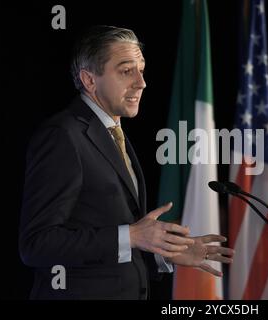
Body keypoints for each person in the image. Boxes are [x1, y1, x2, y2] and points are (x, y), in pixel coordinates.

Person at [19, 25, 234, 300]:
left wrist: (165, 254)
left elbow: (112, 248)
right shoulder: (63, 136)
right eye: (126, 71)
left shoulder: (111, 133)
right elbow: (37, 245)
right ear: (89, 80)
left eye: (141, 69)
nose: (141, 82)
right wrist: (131, 236)